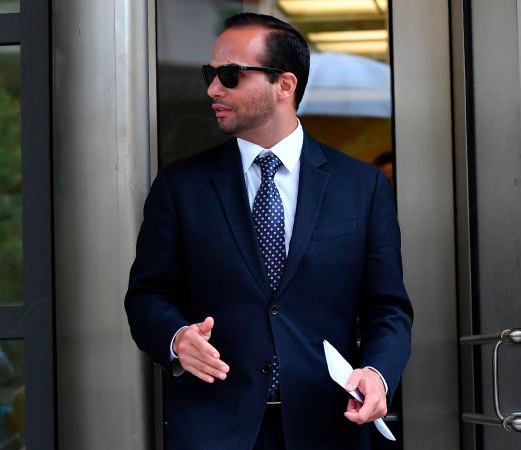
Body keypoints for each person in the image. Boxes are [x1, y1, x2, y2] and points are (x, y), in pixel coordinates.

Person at [125, 12, 413, 450]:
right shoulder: (180, 187)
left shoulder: (362, 186)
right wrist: (176, 337)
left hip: (329, 426)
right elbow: (147, 296)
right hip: (214, 430)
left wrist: (377, 374)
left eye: (229, 75)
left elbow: (388, 309)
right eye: (209, 74)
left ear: (284, 84)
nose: (213, 89)